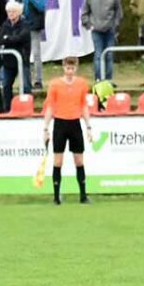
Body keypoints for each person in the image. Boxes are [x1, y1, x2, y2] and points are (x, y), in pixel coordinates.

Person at [43, 56, 93, 205]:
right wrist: (45, 127)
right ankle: (56, 196)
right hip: (60, 123)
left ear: (76, 68)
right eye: (67, 68)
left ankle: (83, 195)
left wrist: (88, 126)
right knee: (58, 160)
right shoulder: (55, 85)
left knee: (79, 160)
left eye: (72, 68)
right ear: (63, 68)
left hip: (75, 123)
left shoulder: (82, 84)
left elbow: (83, 105)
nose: (70, 71)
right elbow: (50, 106)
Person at [80, 0, 123, 82]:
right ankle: (98, 79)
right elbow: (84, 13)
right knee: (98, 55)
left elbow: (119, 13)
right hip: (96, 31)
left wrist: (115, 25)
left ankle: (108, 80)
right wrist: (89, 25)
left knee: (109, 55)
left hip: (110, 30)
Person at [0, 1, 31, 113]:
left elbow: (21, 37)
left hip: (22, 59)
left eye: (13, 11)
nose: (11, 13)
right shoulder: (5, 24)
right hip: (8, 61)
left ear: (19, 12)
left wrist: (8, 38)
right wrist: (9, 38)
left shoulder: (25, 24)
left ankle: (27, 107)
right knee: (6, 85)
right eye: (9, 11)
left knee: (26, 86)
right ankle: (8, 109)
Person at [15, 0, 47, 90]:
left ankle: (38, 80)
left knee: (36, 54)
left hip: (34, 27)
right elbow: (16, 10)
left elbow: (41, 7)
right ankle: (25, 81)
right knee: (23, 54)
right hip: (22, 27)